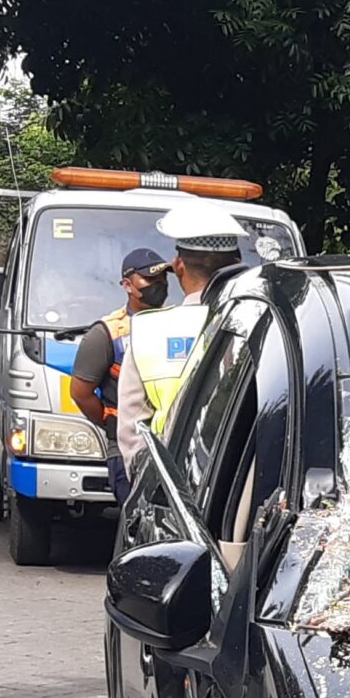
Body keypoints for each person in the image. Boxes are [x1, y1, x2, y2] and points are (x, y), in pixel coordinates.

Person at [112, 201, 246, 491]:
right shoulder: (264, 323)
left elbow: (132, 432)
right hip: (244, 488)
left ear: (178, 266)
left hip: (173, 489)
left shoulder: (149, 330)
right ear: (237, 264)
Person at [70, 247, 172, 459]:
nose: (159, 285)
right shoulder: (107, 333)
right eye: (149, 279)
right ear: (127, 285)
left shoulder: (177, 324)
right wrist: (114, 425)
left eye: (162, 278)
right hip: (127, 449)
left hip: (173, 442)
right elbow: (80, 393)